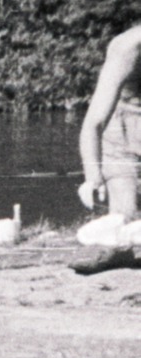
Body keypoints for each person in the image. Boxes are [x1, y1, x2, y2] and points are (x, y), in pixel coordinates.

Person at [75, 24, 141, 273]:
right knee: (122, 228)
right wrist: (93, 178)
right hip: (122, 141)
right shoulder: (128, 47)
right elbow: (94, 122)